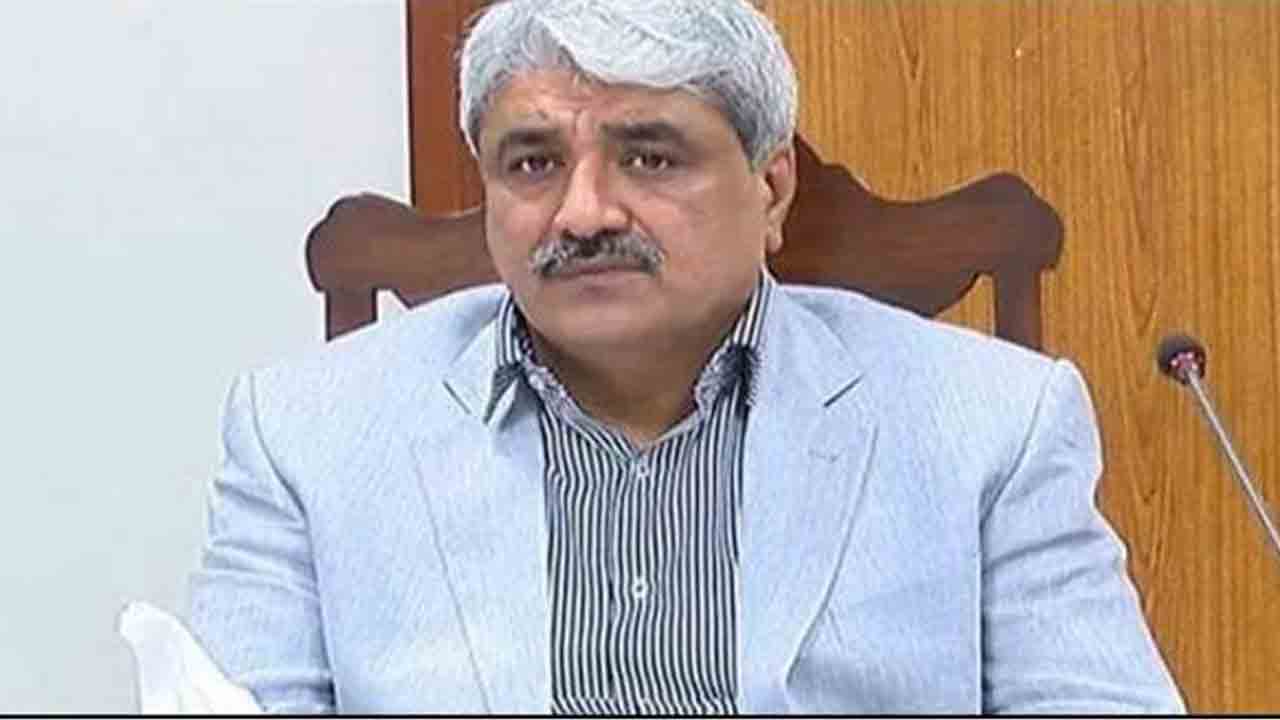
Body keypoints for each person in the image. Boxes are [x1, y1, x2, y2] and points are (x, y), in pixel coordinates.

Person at [188, 0, 1185, 713]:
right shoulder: (306, 433)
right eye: (532, 163)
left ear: (770, 190)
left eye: (650, 157)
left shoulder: (992, 423)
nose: (583, 213)